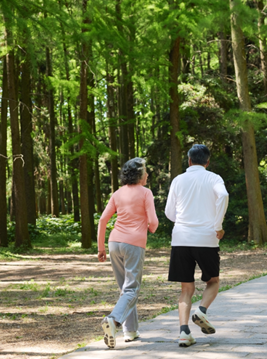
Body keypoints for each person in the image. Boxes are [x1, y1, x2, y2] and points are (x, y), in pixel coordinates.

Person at [165, 144, 229, 347]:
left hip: (181, 239)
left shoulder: (178, 180)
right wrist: (217, 225)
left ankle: (184, 333)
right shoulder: (213, 178)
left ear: (189, 160)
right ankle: (201, 312)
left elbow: (169, 213)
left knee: (186, 289)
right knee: (213, 281)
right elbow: (224, 196)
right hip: (206, 239)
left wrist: (182, 220)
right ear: (207, 162)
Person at [97, 157, 158, 349]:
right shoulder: (146, 193)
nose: (148, 174)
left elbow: (102, 220)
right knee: (131, 289)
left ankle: (130, 331)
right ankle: (113, 320)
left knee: (125, 289)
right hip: (134, 244)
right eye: (146, 171)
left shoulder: (117, 193)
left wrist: (101, 248)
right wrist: (150, 228)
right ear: (139, 175)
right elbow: (154, 222)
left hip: (114, 243)